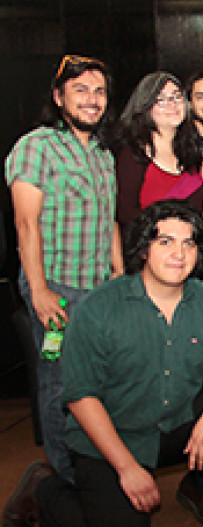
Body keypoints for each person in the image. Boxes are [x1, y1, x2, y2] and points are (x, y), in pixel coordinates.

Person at [1, 200, 203, 527]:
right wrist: (126, 467)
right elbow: (81, 396)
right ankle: (43, 490)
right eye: (165, 242)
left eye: (189, 243)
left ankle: (201, 492)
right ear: (143, 249)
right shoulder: (99, 308)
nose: (179, 253)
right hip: (111, 437)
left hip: (173, 423)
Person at [5, 54, 120, 483]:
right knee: (59, 383)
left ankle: (95, 466)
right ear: (58, 97)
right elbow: (25, 223)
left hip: (98, 291)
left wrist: (118, 274)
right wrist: (38, 290)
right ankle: (65, 477)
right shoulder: (37, 146)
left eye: (99, 91)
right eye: (81, 90)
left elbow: (109, 219)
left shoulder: (103, 154)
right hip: (56, 289)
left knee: (98, 384)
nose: (92, 99)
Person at [115, 71, 203, 237]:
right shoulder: (133, 155)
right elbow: (125, 212)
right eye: (161, 100)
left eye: (176, 97)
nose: (172, 104)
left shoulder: (192, 151)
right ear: (145, 106)